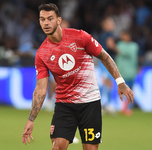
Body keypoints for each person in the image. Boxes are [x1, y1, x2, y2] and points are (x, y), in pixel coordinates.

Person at [22, 3, 133, 150]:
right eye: (42, 19)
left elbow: (105, 57)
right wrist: (31, 119)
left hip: (90, 104)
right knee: (57, 147)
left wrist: (120, 82)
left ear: (59, 20)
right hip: (64, 105)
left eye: (50, 18)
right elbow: (41, 89)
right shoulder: (42, 54)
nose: (46, 23)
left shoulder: (80, 36)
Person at [116, 30, 139, 116]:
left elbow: (127, 54)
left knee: (130, 91)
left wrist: (113, 47)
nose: (123, 37)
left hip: (131, 72)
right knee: (125, 91)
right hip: (122, 73)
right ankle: (125, 108)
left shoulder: (133, 46)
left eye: (124, 35)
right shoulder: (120, 45)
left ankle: (126, 108)